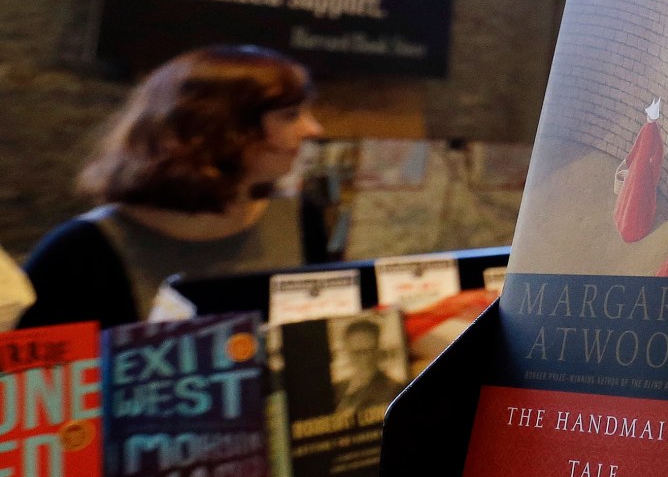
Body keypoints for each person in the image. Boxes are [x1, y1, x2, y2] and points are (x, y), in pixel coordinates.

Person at [18, 46, 322, 327]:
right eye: (290, 115)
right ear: (217, 127)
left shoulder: (299, 219)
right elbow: (33, 379)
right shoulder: (79, 252)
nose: (313, 129)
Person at [328, 314, 404, 413]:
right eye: (357, 352)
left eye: (370, 350)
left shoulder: (394, 390)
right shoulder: (337, 389)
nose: (365, 358)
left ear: (378, 349)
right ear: (347, 352)